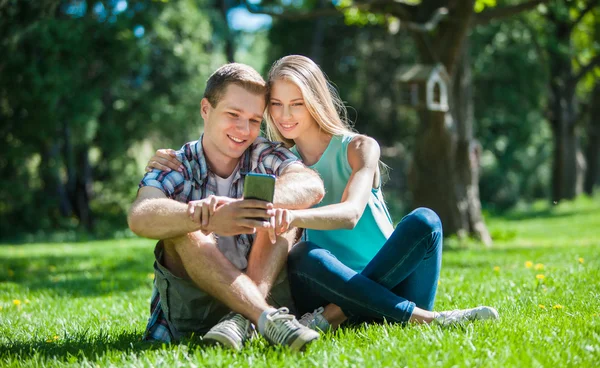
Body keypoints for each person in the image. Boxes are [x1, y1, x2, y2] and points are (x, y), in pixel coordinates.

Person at [148, 55, 498, 333]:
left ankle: (337, 316)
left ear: (315, 101)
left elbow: (350, 214)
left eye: (297, 103)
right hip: (329, 285)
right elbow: (225, 137)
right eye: (277, 105)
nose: (285, 116)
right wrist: (172, 158)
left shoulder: (359, 148)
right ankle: (425, 319)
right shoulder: (280, 162)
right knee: (303, 256)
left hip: (395, 284)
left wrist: (295, 215)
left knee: (425, 220)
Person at [128, 62, 326, 351]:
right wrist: (204, 217)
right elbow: (140, 215)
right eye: (233, 115)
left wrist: (242, 206)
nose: (244, 130)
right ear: (206, 109)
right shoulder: (176, 164)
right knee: (184, 226)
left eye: (254, 120)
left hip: (268, 294)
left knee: (280, 215)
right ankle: (261, 316)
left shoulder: (264, 154)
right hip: (195, 310)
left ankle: (244, 318)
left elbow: (311, 185)